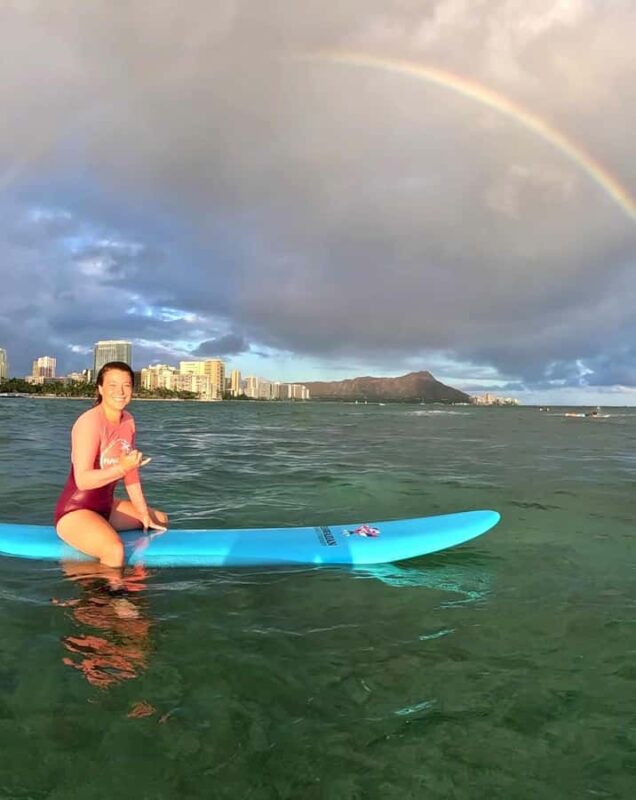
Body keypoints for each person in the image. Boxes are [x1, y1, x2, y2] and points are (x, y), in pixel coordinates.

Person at [54, 361, 168, 570]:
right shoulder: (90, 422)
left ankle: (136, 571)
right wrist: (121, 468)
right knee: (114, 550)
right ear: (100, 388)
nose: (120, 391)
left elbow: (131, 473)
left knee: (159, 519)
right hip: (75, 511)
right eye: (113, 385)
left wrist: (142, 513)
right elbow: (83, 479)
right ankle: (102, 600)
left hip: (105, 508)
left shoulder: (128, 421)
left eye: (126, 385)